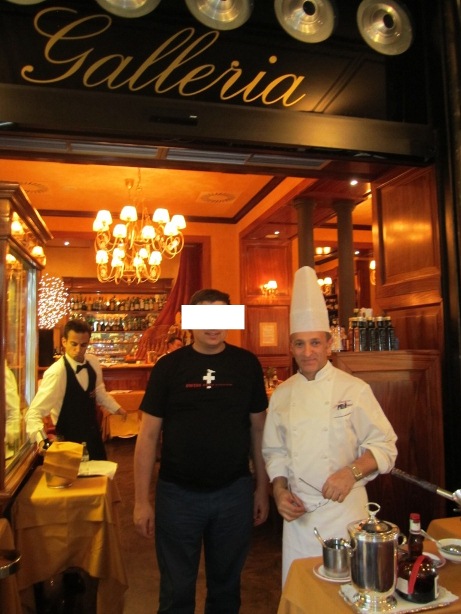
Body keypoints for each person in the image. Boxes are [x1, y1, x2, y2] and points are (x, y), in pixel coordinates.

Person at [133, 288, 269, 614]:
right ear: (190, 321)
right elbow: (148, 436)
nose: (213, 325)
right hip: (177, 495)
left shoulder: (246, 364)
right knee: (176, 590)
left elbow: (259, 430)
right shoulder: (168, 367)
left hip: (234, 493)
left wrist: (262, 488)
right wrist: (141, 500)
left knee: (226, 589)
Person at [262, 266, 398, 586]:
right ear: (291, 346)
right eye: (299, 344)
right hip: (298, 519)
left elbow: (385, 446)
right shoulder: (282, 394)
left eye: (315, 343)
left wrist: (350, 472)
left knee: (348, 593)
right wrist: (279, 491)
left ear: (328, 343)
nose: (307, 352)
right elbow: (274, 452)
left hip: (345, 514)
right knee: (302, 592)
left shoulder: (355, 389)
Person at [25, 319, 126, 460]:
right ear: (64, 342)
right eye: (74, 344)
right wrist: (43, 441)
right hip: (68, 444)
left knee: (101, 474)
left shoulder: (93, 362)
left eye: (83, 345)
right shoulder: (57, 372)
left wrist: (117, 409)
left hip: (93, 440)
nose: (78, 350)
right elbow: (34, 413)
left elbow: (99, 391)